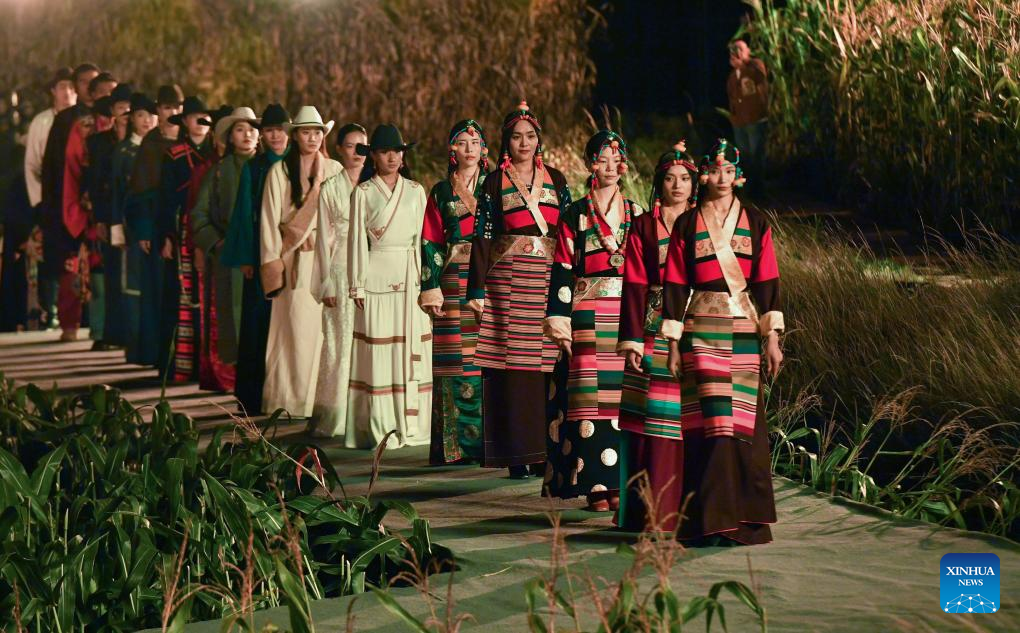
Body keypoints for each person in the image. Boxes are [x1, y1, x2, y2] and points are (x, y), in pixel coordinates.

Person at [659, 138, 783, 545]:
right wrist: (672, 342)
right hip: (700, 332)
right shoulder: (687, 224)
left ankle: (743, 522)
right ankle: (708, 522)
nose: (722, 178)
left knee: (743, 425)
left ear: (738, 176)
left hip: (744, 331)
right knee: (711, 423)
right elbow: (675, 284)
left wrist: (772, 338)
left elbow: (767, 282)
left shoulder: (757, 222)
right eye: (714, 170)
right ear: (704, 176)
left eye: (729, 171)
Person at [466, 102, 572, 478]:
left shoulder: (557, 180)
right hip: (506, 284)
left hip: (547, 283)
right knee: (510, 369)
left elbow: (569, 233)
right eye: (516, 137)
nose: (523, 143)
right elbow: (482, 237)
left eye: (530, 136)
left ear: (538, 140)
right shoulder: (493, 183)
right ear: (506, 142)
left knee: (546, 365)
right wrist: (476, 289)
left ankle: (544, 449)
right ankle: (515, 455)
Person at [543, 130, 641, 511]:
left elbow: (646, 271)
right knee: (588, 400)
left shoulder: (636, 214)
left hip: (626, 315)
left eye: (617, 160)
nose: (611, 166)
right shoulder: (575, 215)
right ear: (590, 165)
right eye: (603, 159)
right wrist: (559, 320)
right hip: (586, 313)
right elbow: (562, 269)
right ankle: (595, 486)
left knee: (623, 399)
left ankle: (621, 483)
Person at [615, 141, 697, 531]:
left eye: (684, 179)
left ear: (694, 184)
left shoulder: (704, 223)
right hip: (652, 328)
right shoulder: (645, 226)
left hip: (696, 325)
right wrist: (631, 338)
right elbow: (633, 282)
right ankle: (652, 512)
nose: (677, 186)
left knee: (691, 418)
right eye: (669, 178)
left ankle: (693, 511)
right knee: (651, 420)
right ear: (658, 183)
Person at [343, 124, 431, 448]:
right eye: (384, 152)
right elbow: (356, 241)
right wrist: (357, 285)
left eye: (397, 151)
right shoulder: (363, 193)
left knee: (410, 350)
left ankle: (414, 425)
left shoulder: (416, 191)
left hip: (411, 279)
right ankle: (383, 428)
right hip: (376, 278)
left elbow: (424, 242)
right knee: (380, 353)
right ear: (373, 156)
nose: (392, 157)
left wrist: (427, 283)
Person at [259, 106, 341, 418]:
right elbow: (269, 222)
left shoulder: (333, 169)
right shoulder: (279, 172)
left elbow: (342, 218)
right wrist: (273, 263)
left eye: (317, 132)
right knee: (293, 331)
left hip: (326, 259)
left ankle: (320, 401)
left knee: (323, 332)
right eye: (306, 132)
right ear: (295, 135)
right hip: (293, 259)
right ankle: (290, 401)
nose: (312, 138)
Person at [419, 119, 489, 464]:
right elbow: (430, 241)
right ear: (452, 150)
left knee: (487, 356)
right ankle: (454, 447)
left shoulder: (497, 187)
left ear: (484, 149)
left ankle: (492, 443)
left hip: (489, 277)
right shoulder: (440, 191)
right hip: (451, 279)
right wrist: (430, 286)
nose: (469, 149)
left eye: (475, 143)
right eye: (462, 143)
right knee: (453, 359)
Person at [221, 103, 290, 414]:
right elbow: (244, 215)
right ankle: (252, 397)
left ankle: (287, 394)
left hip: (294, 251)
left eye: (280, 130)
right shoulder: (255, 167)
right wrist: (248, 258)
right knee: (256, 324)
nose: (275, 136)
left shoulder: (298, 162)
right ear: (263, 135)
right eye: (270, 130)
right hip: (261, 253)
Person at [190, 107, 261, 393]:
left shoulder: (272, 167)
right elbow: (199, 214)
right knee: (232, 315)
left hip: (264, 254)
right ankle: (234, 379)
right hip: (230, 257)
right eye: (240, 130)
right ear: (230, 137)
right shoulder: (219, 171)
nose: (247, 135)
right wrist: (218, 243)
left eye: (252, 129)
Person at [308, 122, 367, 437]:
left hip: (372, 271)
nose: (357, 152)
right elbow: (323, 240)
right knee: (338, 342)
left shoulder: (376, 184)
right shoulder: (331, 187)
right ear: (340, 149)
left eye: (362, 145)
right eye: (350, 145)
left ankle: (366, 413)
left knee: (368, 343)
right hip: (340, 269)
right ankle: (335, 414)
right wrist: (325, 282)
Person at [38, 62, 99, 329]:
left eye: (94, 82)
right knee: (69, 263)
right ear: (76, 86)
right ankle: (70, 324)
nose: (89, 87)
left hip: (99, 199)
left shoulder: (106, 116)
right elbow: (50, 167)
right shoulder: (64, 120)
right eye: (84, 82)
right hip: (68, 198)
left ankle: (101, 325)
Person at [59, 73, 119, 341]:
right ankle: (99, 329)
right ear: (92, 96)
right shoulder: (83, 126)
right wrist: (75, 209)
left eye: (113, 91)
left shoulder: (126, 120)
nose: (108, 96)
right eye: (103, 91)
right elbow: (72, 171)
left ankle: (120, 330)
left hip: (119, 205)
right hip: (91, 208)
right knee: (95, 269)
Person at [127, 84, 183, 366]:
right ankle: (158, 354)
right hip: (156, 225)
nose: (171, 112)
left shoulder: (189, 138)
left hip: (183, 223)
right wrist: (145, 231)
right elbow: (139, 192)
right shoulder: (150, 144)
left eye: (176, 107)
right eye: (166, 107)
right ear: (158, 110)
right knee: (157, 291)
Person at [160, 95, 213, 380]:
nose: (201, 122)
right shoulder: (174, 154)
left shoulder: (218, 152)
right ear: (185, 121)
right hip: (183, 227)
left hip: (212, 227)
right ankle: (183, 364)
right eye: (195, 117)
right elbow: (166, 199)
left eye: (206, 117)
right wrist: (167, 236)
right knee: (185, 295)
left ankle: (210, 363)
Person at [83, 83, 132, 350]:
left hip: (133, 213)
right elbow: (95, 183)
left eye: (130, 108)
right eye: (121, 107)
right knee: (111, 273)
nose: (126, 113)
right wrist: (100, 219)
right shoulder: (98, 142)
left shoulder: (142, 142)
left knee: (133, 276)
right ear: (112, 111)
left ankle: (133, 333)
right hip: (109, 213)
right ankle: (110, 333)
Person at [113, 92, 158, 359]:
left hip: (157, 225)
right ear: (132, 119)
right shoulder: (124, 151)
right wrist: (116, 226)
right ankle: (134, 344)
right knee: (133, 285)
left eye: (151, 115)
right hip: (131, 225)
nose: (147, 120)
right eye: (141, 115)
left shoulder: (161, 146)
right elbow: (116, 192)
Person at [727, 39, 768, 199]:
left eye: (740, 49)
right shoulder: (733, 75)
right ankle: (748, 190)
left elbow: (760, 77)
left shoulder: (755, 65)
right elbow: (732, 96)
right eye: (734, 50)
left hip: (755, 119)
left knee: (756, 155)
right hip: (740, 122)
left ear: (748, 51)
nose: (736, 53)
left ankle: (758, 191)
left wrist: (742, 65)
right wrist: (733, 117)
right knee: (744, 157)